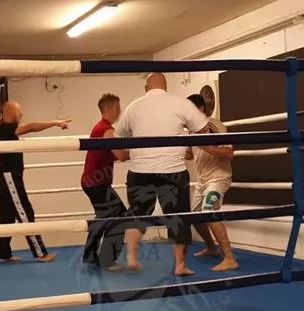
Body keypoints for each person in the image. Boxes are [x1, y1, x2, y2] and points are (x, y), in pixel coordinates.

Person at [116, 73, 209, 277]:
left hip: (140, 171)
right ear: (166, 85)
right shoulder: (180, 104)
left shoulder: (134, 106)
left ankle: (132, 258)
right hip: (173, 170)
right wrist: (184, 135)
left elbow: (119, 136)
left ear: (146, 88)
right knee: (179, 217)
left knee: (138, 212)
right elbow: (203, 129)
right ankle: (180, 265)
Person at [0, 101, 71, 263]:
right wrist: (55, 123)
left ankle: (3, 253)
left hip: (9, 177)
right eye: (19, 111)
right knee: (25, 212)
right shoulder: (4, 128)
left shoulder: (6, 130)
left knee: (7, 215)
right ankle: (40, 253)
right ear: (9, 112)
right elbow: (31, 127)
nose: (21, 114)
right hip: (10, 178)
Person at [186, 94, 239, 271]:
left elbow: (228, 153)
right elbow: (190, 154)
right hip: (202, 181)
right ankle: (211, 247)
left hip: (218, 178)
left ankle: (230, 258)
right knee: (194, 215)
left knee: (209, 212)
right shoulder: (192, 131)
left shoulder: (215, 126)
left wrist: (203, 145)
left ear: (200, 108)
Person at [81, 93, 129, 271]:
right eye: (119, 107)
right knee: (120, 217)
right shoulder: (106, 130)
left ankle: (90, 255)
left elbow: (111, 155)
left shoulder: (99, 128)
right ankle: (107, 260)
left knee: (103, 216)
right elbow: (121, 155)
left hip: (92, 182)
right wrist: (142, 150)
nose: (120, 111)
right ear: (113, 108)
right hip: (97, 183)